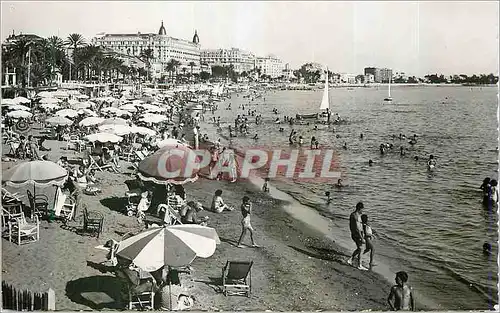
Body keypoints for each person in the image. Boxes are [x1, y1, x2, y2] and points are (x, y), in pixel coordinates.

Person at [347, 202, 368, 270]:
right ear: (359, 209)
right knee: (361, 249)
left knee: (359, 248)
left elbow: (351, 226)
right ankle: (359, 265)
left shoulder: (352, 214)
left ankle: (350, 259)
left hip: (354, 234)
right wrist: (361, 237)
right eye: (362, 209)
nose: (362, 211)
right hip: (357, 234)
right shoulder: (356, 216)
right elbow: (357, 228)